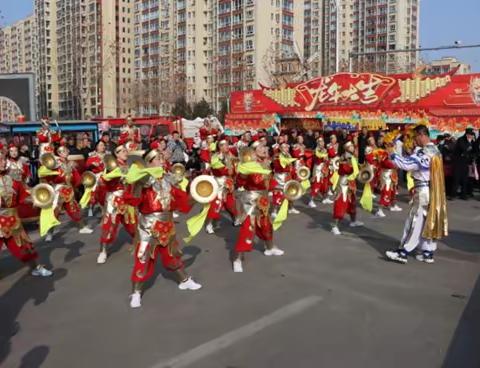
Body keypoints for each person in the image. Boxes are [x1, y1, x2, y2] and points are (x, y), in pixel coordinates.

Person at [127, 149, 202, 308]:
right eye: (158, 158)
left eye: (162, 157)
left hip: (167, 224)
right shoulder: (143, 180)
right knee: (143, 259)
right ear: (149, 162)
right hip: (148, 226)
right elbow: (133, 200)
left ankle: (184, 281)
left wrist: (198, 195)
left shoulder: (168, 179)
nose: (162, 160)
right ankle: (136, 293)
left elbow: (180, 201)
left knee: (172, 255)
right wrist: (138, 182)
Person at [385, 125, 448, 264]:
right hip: (433, 190)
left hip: (423, 190)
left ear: (421, 135)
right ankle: (427, 252)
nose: (414, 140)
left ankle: (403, 251)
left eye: (415, 137)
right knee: (429, 221)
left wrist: (393, 154)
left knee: (414, 221)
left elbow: (407, 164)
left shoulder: (423, 152)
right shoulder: (436, 150)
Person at [233, 142, 284, 273]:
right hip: (250, 202)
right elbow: (239, 183)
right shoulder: (247, 165)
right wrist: (243, 175)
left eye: (264, 146)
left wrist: (282, 188)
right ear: (253, 152)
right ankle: (237, 259)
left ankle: (270, 248)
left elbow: (269, 182)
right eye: (260, 147)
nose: (264, 148)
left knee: (266, 226)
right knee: (247, 229)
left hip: (263, 200)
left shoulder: (265, 164)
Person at [0, 152, 52, 277]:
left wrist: (37, 200)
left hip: (13, 221)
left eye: (2, 160)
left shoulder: (14, 181)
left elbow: (23, 197)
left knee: (25, 247)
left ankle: (36, 268)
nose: (2, 162)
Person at [37, 145, 93, 242]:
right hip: (58, 189)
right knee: (55, 211)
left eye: (66, 150)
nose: (66, 152)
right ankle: (49, 233)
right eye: (63, 151)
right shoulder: (55, 163)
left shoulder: (69, 163)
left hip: (69, 189)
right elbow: (46, 173)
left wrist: (80, 182)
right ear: (58, 153)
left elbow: (75, 176)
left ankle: (82, 227)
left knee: (74, 209)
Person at [96, 145, 137, 264]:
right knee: (109, 226)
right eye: (122, 151)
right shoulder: (111, 165)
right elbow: (105, 179)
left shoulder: (130, 165)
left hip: (128, 198)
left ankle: (137, 244)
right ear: (116, 154)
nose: (125, 152)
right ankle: (103, 251)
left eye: (125, 150)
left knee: (133, 224)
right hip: (114, 199)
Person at [205, 140, 239, 234]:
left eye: (228, 144)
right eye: (225, 145)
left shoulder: (230, 155)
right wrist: (228, 170)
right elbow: (219, 169)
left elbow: (236, 167)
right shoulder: (215, 157)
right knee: (216, 204)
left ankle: (235, 219)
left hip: (228, 183)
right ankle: (209, 224)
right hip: (219, 184)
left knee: (230, 204)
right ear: (220, 147)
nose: (228, 146)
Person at [331, 141, 363, 235]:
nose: (353, 148)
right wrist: (355, 170)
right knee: (341, 203)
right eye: (351, 146)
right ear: (347, 148)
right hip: (344, 183)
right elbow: (345, 169)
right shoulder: (345, 157)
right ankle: (334, 226)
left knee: (352, 202)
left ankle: (353, 221)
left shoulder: (351, 156)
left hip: (350, 182)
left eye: (353, 146)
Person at [452, 128, 476, 200]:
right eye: (470, 135)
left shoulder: (471, 141)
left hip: (465, 162)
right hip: (458, 162)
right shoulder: (461, 140)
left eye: (472, 135)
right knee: (456, 178)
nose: (471, 136)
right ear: (467, 134)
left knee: (465, 179)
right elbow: (463, 148)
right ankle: (453, 194)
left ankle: (463, 194)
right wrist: (469, 144)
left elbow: (473, 150)